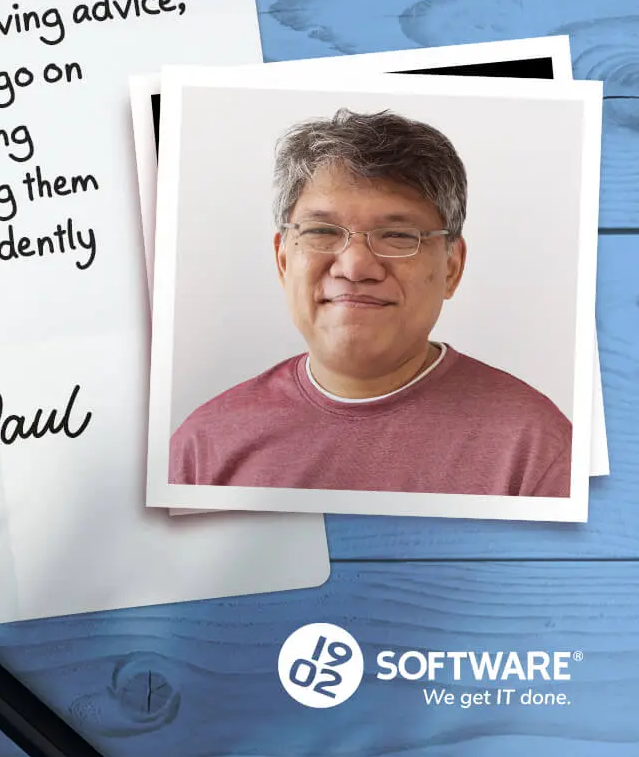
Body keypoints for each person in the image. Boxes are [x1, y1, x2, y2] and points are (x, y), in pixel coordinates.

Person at [169, 108, 572, 497]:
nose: (356, 266)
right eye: (322, 231)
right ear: (283, 259)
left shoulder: (536, 450)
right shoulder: (203, 446)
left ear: (452, 266)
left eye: (397, 236)